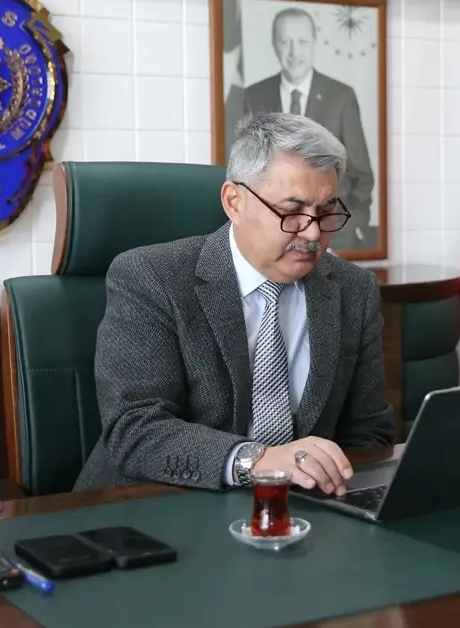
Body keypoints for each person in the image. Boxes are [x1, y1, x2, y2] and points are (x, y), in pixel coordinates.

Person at [73, 112, 395, 495]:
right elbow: (136, 429)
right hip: (156, 507)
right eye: (291, 211)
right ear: (234, 201)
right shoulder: (150, 277)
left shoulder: (352, 289)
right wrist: (255, 460)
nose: (312, 232)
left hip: (300, 516)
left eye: (325, 212)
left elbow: (368, 432)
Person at [242, 7, 376, 252]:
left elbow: (362, 174)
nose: (294, 52)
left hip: (332, 234)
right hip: (274, 237)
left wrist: (353, 224)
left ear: (313, 43)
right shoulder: (254, 96)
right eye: (286, 41)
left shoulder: (341, 97)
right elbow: (249, 172)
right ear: (274, 44)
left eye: (302, 41)